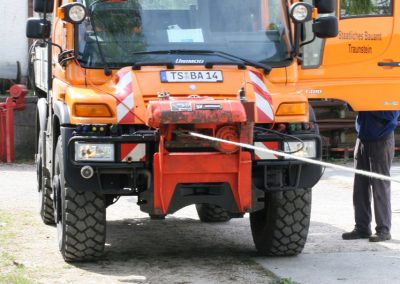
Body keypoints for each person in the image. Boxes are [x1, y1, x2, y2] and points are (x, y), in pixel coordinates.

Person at [342, 110, 400, 242]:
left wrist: (366, 105)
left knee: (380, 187)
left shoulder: (391, 89)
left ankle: (383, 230)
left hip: (382, 139)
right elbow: (350, 105)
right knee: (360, 187)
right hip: (362, 138)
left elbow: (391, 114)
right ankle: (362, 228)